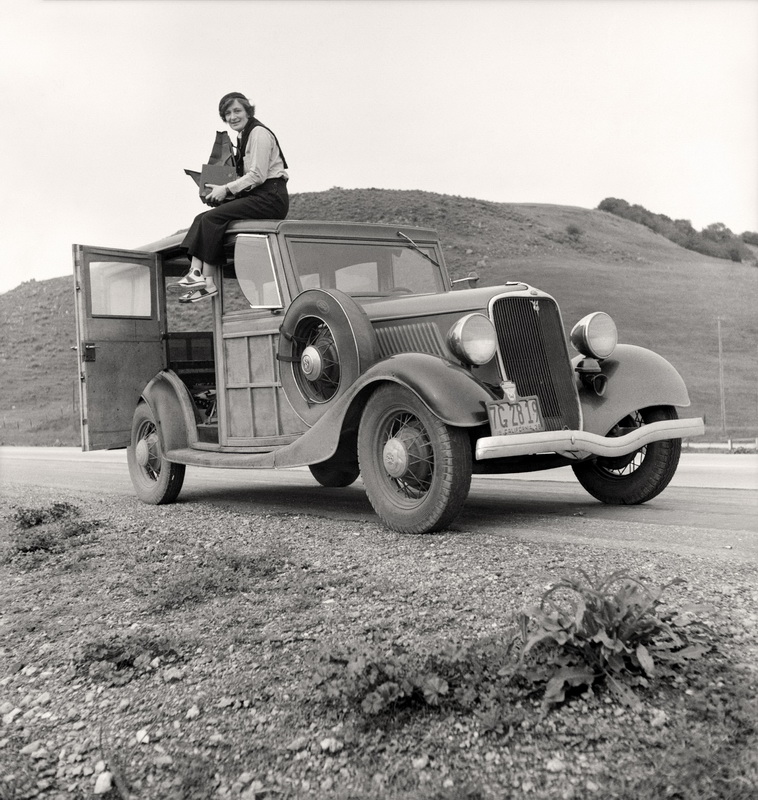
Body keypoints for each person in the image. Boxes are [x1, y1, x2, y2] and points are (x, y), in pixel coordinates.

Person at [178, 92, 289, 303]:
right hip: (258, 194)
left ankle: (203, 279)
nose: (232, 117)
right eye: (227, 113)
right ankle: (200, 277)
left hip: (271, 197)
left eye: (237, 111)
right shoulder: (242, 136)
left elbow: (258, 175)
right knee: (202, 218)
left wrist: (226, 190)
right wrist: (218, 189)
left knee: (212, 219)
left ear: (248, 111)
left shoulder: (258, 133)